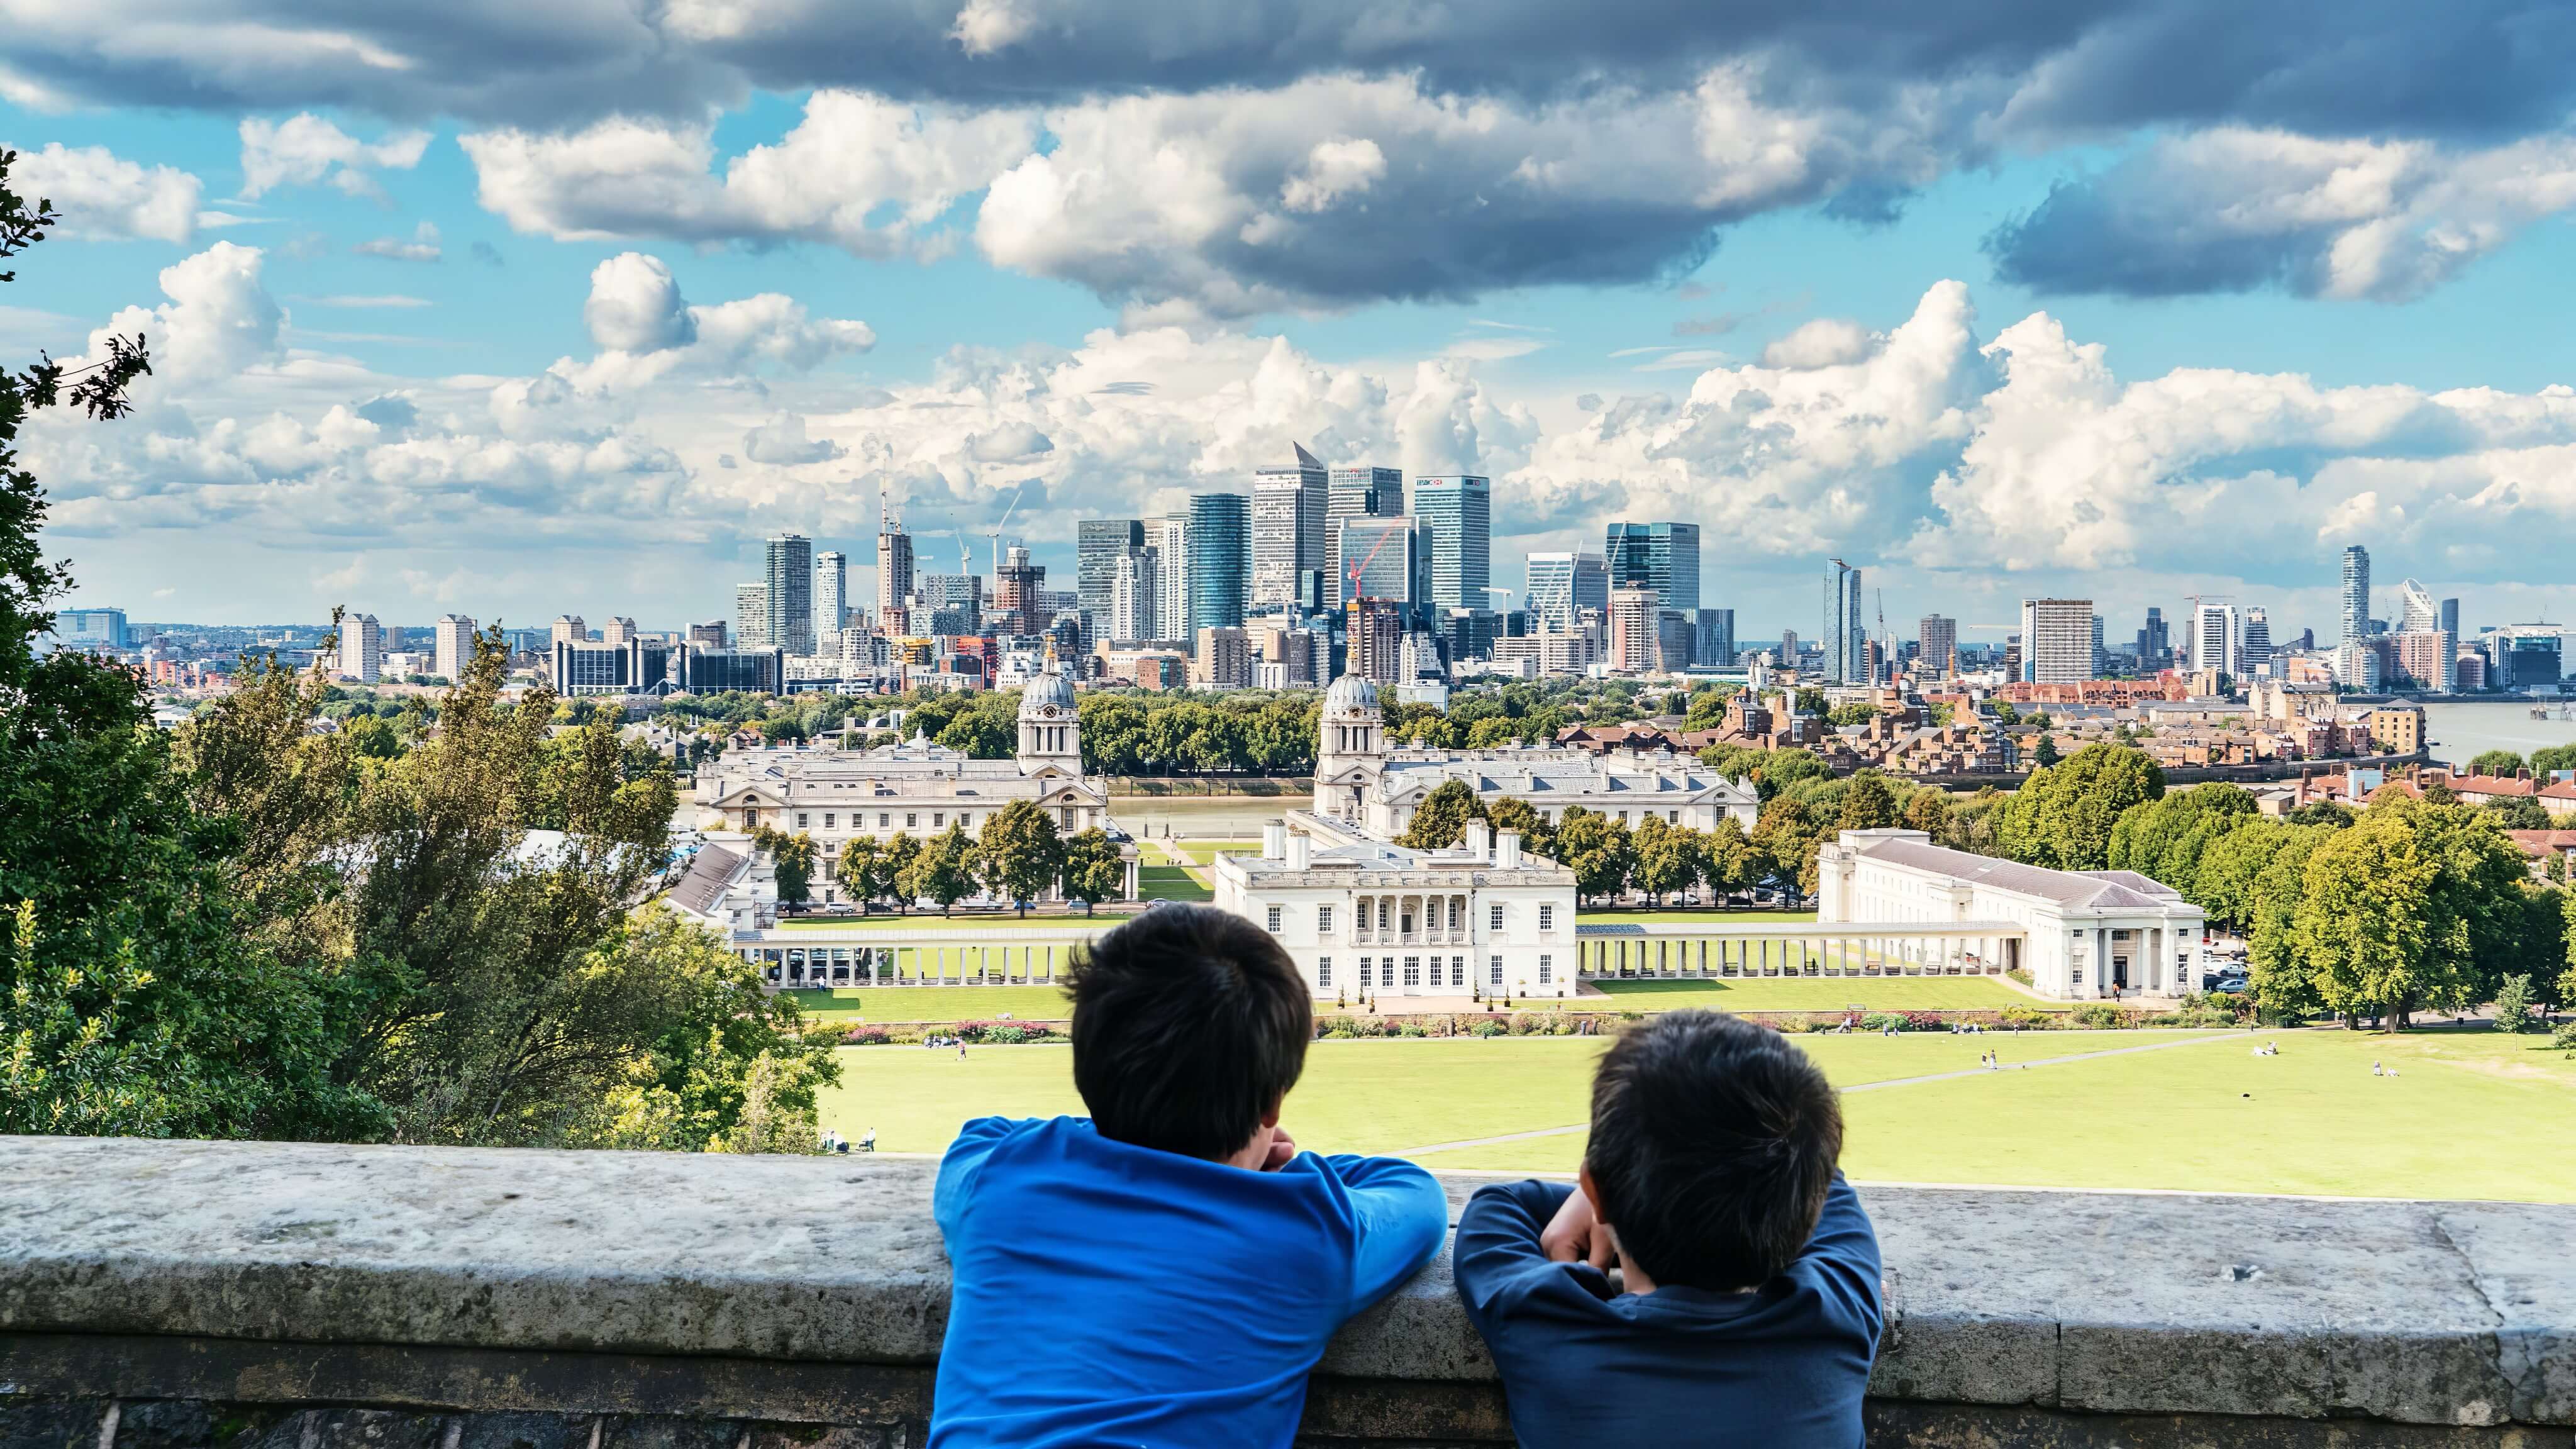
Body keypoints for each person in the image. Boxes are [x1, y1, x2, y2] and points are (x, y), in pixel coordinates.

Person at [930, 903, 1448, 1447]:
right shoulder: (1304, 1230)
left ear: (1088, 1072)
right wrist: (1288, 1172)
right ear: (1272, 1106)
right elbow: (1416, 1197)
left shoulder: (1005, 1183)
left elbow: (977, 1138)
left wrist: (1127, 1112)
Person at [1454, 1010, 1884, 1449]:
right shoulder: (1833, 1322)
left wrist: (1609, 1194)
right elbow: (1825, 1181)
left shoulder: (1545, 1329)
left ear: (1594, 1190)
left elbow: (1494, 1209)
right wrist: (1610, 1190)